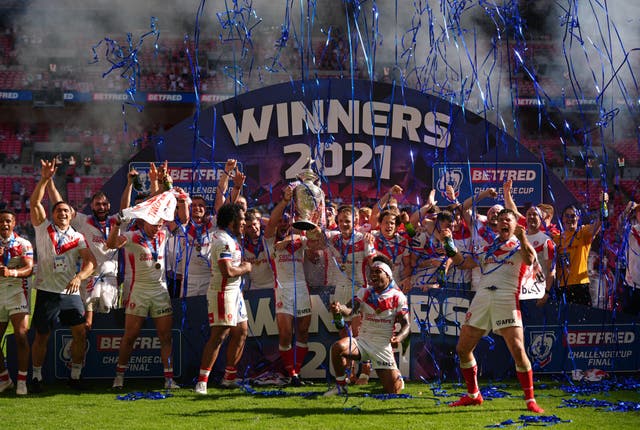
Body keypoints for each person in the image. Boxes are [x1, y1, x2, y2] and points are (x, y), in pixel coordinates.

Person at [444, 209, 544, 413]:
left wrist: (523, 237)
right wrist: (448, 244)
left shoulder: (521, 245)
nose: (504, 222)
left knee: (517, 350)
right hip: (482, 298)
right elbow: (464, 263)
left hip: (506, 298)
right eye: (501, 220)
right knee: (463, 349)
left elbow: (529, 260)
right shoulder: (487, 249)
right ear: (497, 226)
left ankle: (530, 400)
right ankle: (473, 395)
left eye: (508, 219)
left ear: (516, 225)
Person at [107, 189, 189, 390]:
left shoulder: (163, 233)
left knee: (165, 336)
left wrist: (182, 198)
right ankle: (119, 377)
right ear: (143, 221)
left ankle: (169, 379)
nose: (157, 227)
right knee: (131, 336)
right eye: (154, 224)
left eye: (160, 223)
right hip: (139, 290)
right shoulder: (132, 236)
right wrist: (116, 227)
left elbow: (184, 220)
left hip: (160, 291)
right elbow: (110, 245)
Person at [29, 159, 96, 392]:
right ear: (53, 214)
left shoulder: (77, 238)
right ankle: (36, 377)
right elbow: (35, 201)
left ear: (72, 214)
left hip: (70, 292)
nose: (62, 213)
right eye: (58, 210)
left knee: (79, 334)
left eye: (66, 211)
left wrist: (80, 276)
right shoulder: (42, 227)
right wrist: (45, 179)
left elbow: (91, 262)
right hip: (47, 291)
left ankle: (75, 376)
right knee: (42, 336)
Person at [324, 255, 410, 396]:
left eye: (378, 272)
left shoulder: (398, 296)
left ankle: (398, 377)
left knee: (393, 391)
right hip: (362, 342)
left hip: (382, 346)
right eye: (372, 272)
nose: (373, 275)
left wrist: (399, 337)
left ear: (388, 275)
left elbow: (406, 325)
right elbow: (350, 310)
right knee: (338, 347)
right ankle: (341, 386)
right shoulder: (365, 292)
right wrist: (340, 309)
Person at [263, 185, 322, 385]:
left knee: (304, 331)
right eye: (280, 222)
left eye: (285, 221)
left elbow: (317, 242)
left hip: (301, 287)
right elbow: (271, 223)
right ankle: (293, 374)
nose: (281, 224)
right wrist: (286, 201)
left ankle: (295, 373)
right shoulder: (270, 241)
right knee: (286, 333)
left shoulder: (299, 239)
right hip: (283, 288)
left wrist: (312, 222)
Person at [195, 203, 252, 394]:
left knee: (242, 332)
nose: (245, 222)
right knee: (219, 336)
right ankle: (202, 382)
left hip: (236, 292)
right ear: (232, 220)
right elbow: (227, 271)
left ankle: (229, 378)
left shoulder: (231, 237)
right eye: (242, 219)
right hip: (223, 292)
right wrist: (246, 268)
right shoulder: (223, 241)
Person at [0, 209, 34, 395]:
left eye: (8, 221)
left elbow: (29, 268)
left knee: (21, 335)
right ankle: (5, 379)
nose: (4, 224)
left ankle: (22, 381)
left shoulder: (23, 243)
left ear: (14, 223)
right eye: (1, 222)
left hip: (17, 291)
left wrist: (11, 272)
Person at [554, 199, 606, 307]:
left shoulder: (583, 233)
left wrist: (603, 204)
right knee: (563, 322)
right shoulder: (556, 238)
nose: (570, 219)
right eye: (567, 216)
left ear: (578, 218)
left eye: (573, 216)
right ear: (562, 218)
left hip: (580, 286)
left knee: (583, 321)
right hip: (562, 287)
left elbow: (601, 221)